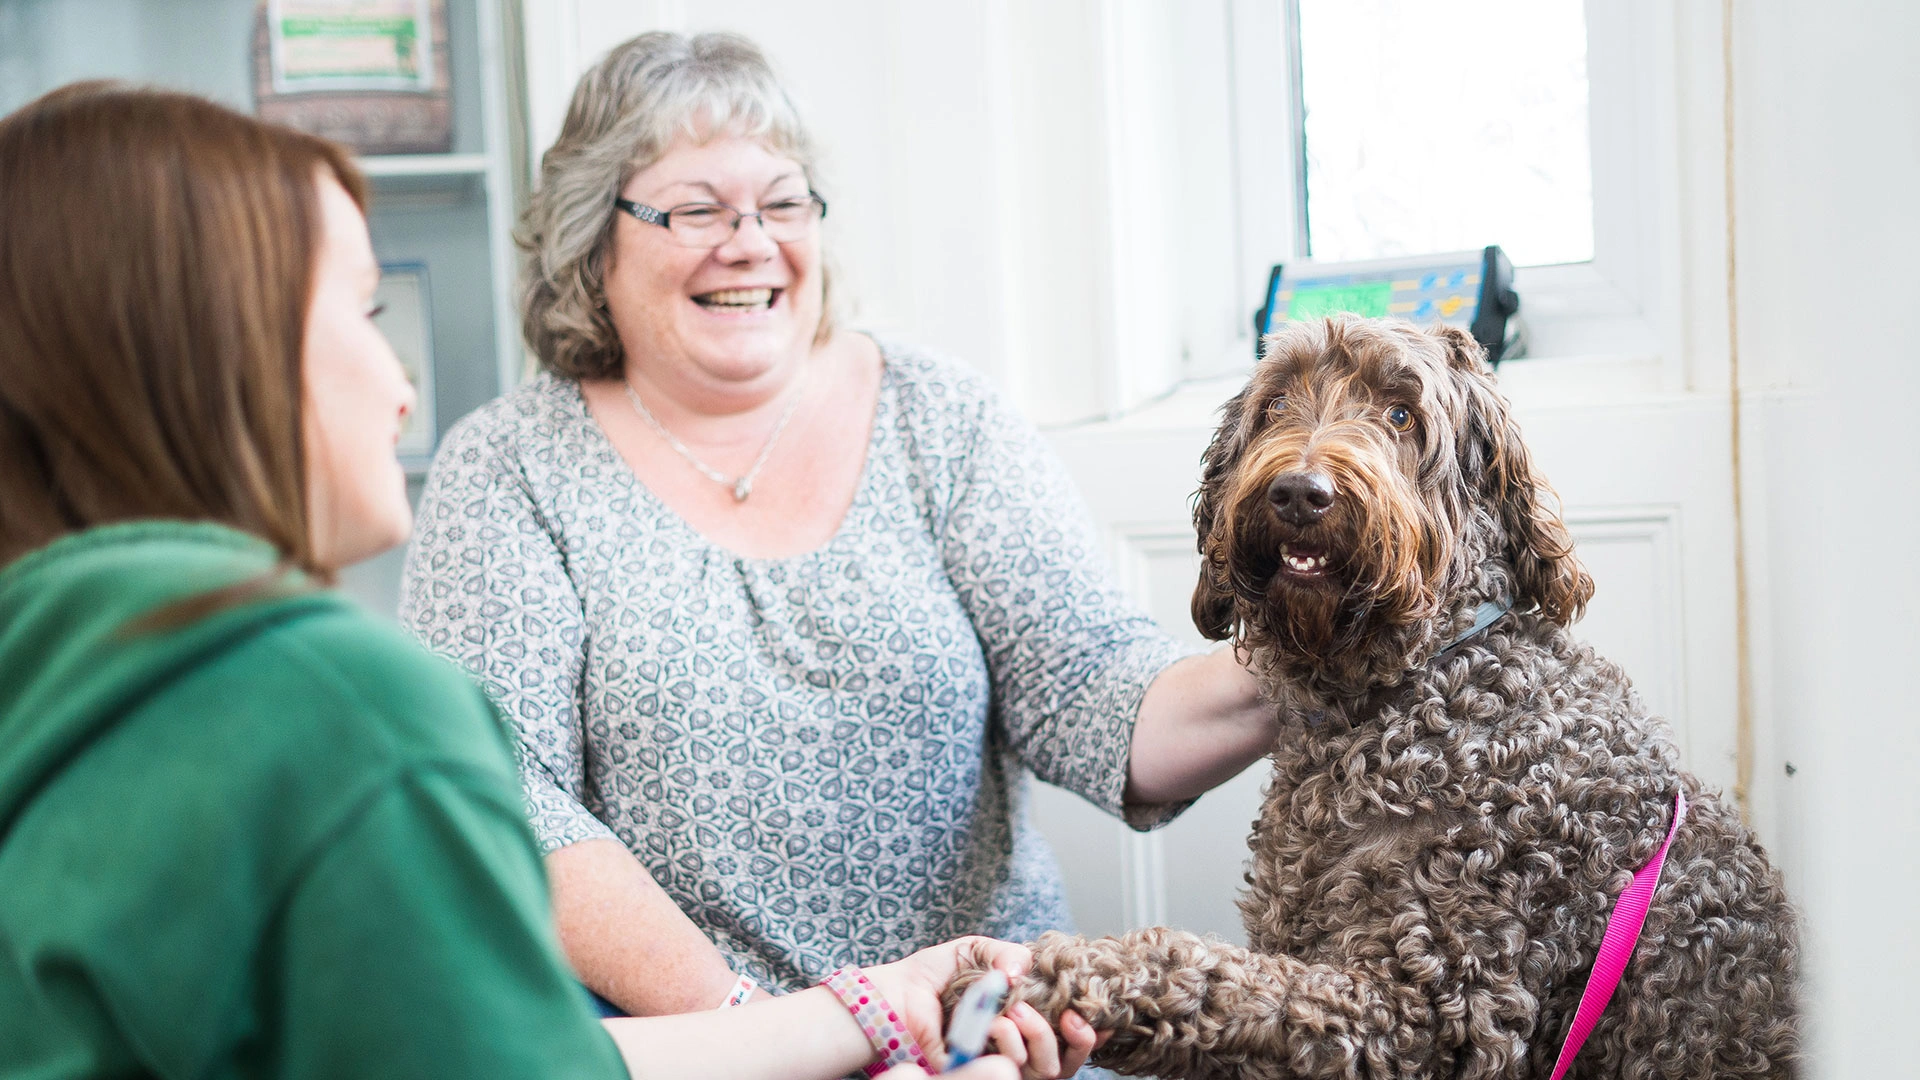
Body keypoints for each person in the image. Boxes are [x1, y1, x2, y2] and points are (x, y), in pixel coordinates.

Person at [0, 81, 1076, 1080]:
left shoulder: (50, 676)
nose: (402, 387)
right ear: (210, 356)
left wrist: (868, 1013)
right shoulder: (347, 716)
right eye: (366, 315)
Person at [398, 29, 1276, 1034]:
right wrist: (789, 1035)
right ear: (593, 241)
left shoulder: (940, 415)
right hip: (712, 1044)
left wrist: (1301, 671)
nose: (750, 241)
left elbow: (1095, 688)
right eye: (696, 209)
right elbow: (508, 799)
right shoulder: (507, 466)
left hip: (983, 1039)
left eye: (781, 202)